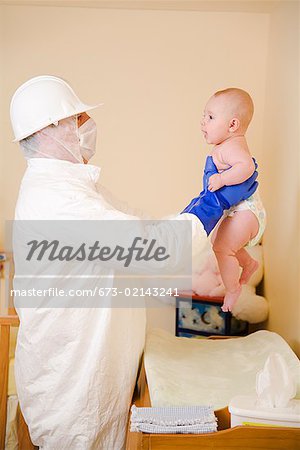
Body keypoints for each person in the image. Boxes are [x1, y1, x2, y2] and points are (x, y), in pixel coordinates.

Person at [9, 76, 258, 449]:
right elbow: (152, 248)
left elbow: (139, 224)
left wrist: (200, 205)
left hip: (90, 368)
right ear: (48, 131)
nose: (88, 127)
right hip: (73, 384)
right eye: (77, 119)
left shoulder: (74, 187)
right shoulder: (58, 200)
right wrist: (214, 203)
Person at [201, 88, 266, 312]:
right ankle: (248, 263)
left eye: (210, 117)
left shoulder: (233, 146)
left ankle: (233, 289)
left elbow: (247, 167)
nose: (203, 122)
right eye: (204, 116)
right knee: (218, 242)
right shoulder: (225, 146)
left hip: (247, 210)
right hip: (240, 210)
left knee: (222, 248)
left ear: (232, 125)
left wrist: (221, 179)